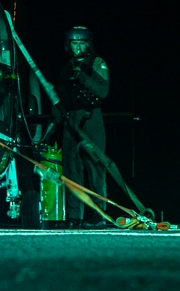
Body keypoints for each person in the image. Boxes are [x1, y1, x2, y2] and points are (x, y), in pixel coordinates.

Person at [55, 25, 110, 228]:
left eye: (81, 42)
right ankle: (74, 216)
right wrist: (58, 110)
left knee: (95, 168)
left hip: (91, 119)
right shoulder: (66, 67)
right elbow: (61, 93)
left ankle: (98, 214)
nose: (78, 47)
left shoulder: (97, 63)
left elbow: (103, 91)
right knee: (71, 170)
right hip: (72, 119)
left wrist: (83, 77)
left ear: (88, 43)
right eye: (74, 42)